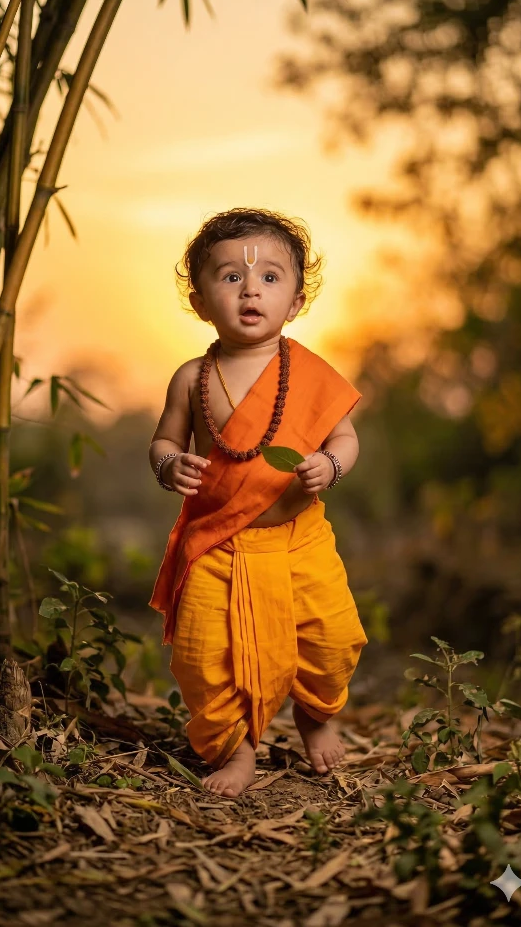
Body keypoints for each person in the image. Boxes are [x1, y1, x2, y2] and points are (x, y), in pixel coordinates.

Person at [148, 207, 368, 797]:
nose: (251, 289)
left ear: (295, 302)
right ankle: (237, 751)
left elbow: (344, 436)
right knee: (208, 657)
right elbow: (166, 437)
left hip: (300, 537)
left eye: (271, 278)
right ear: (199, 301)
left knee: (331, 638)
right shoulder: (191, 377)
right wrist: (170, 463)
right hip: (218, 542)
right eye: (230, 277)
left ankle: (315, 718)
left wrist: (332, 464)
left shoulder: (313, 374)